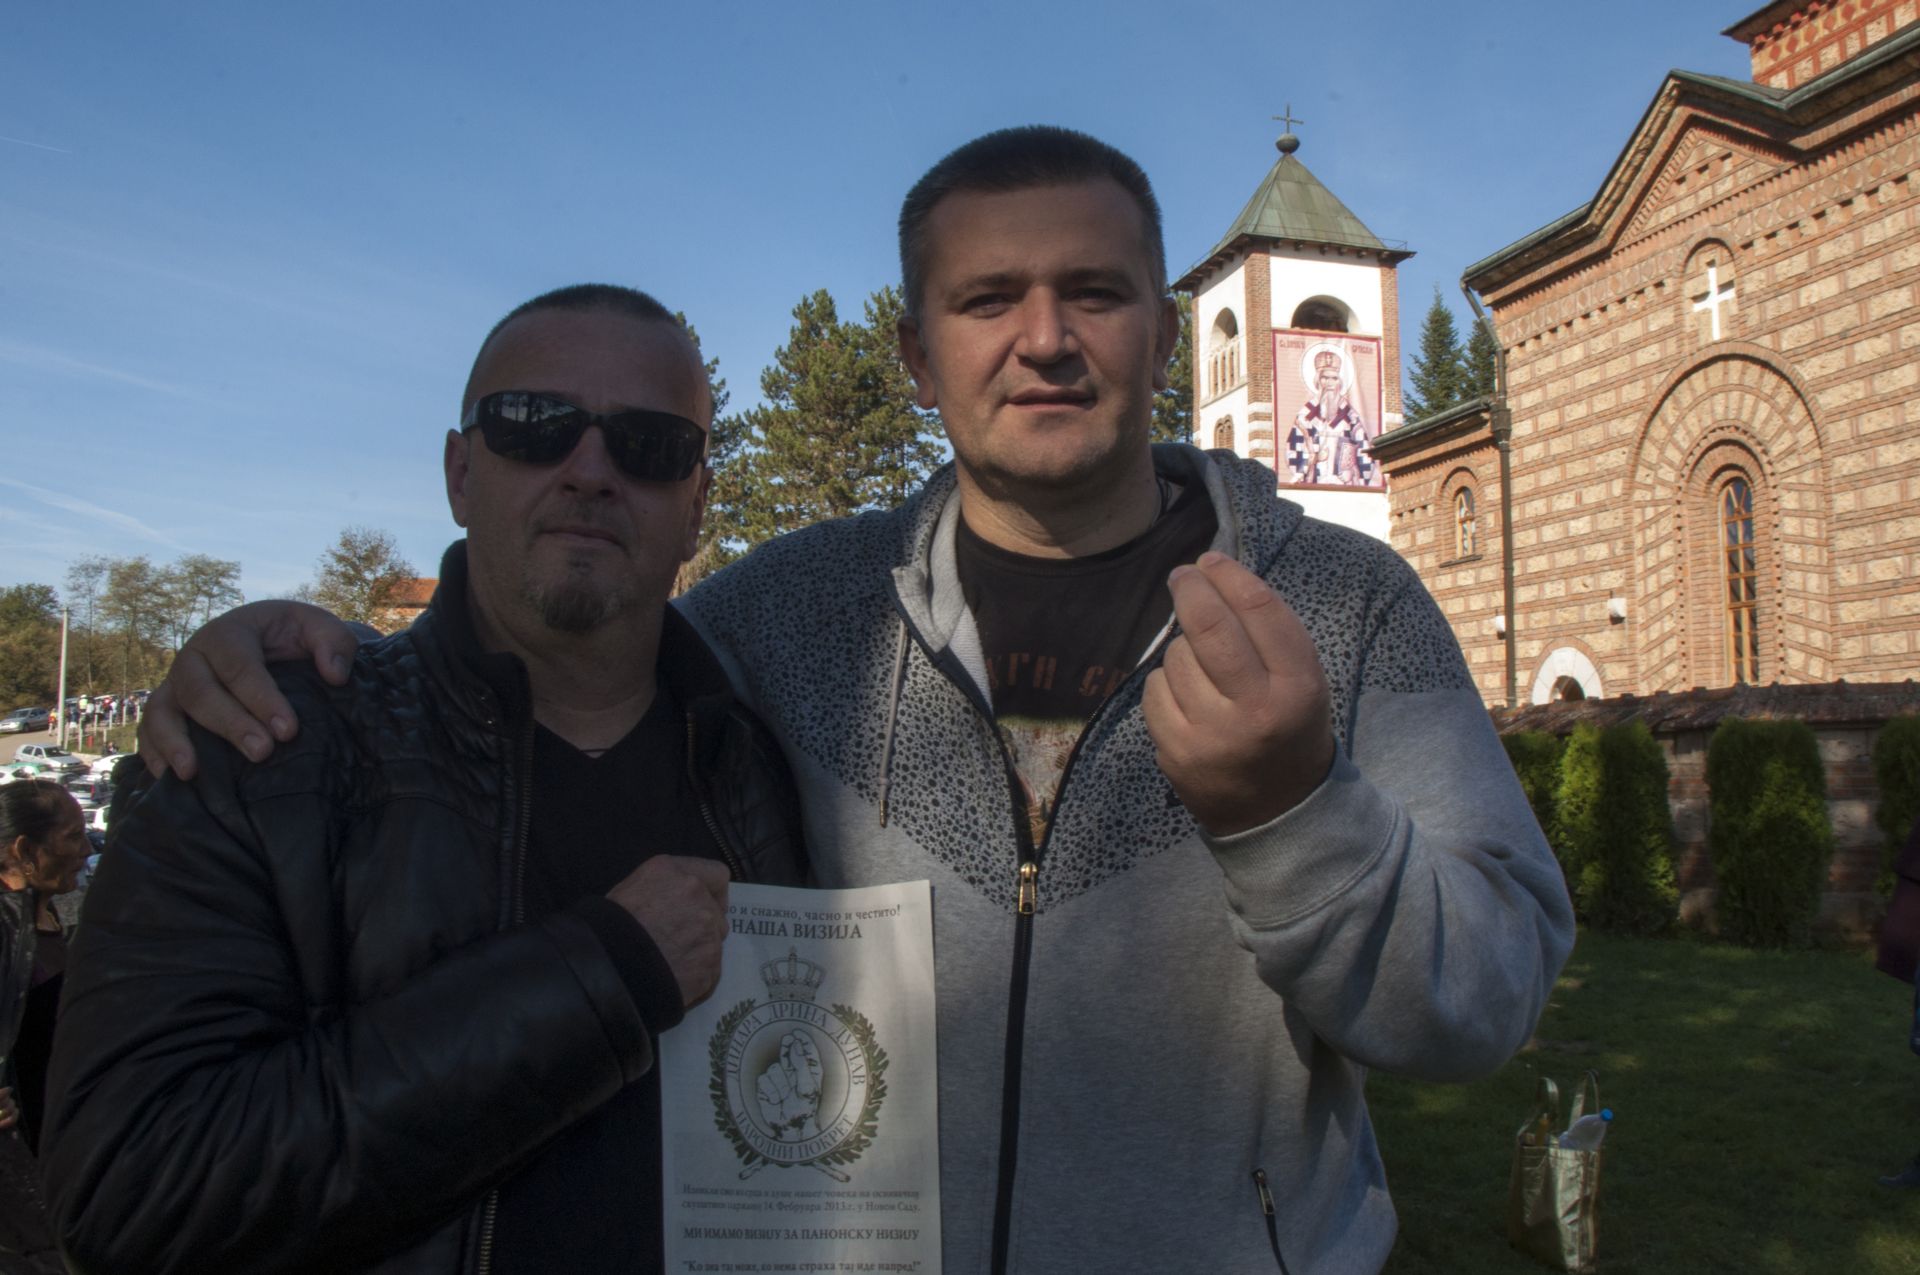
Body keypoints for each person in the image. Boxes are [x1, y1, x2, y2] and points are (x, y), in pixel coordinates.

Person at [136, 127, 1573, 1273]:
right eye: (988, 299)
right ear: (917, 355)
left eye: (1094, 292)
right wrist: (316, 652)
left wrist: (1292, 816)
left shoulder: (1341, 605)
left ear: (1162, 330)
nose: (1045, 337)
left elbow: (1484, 1006)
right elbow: (561, 652)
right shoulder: (787, 610)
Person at [42, 286, 807, 1273]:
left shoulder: (769, 767)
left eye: (649, 445)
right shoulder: (264, 747)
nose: (590, 471)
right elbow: (134, 1191)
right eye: (533, 424)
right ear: (459, 473)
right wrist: (605, 973)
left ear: (697, 503)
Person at [0, 780, 91, 1274]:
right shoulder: (4, 927)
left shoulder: (53, 912)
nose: (86, 848)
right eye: (72, 836)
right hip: (21, 1174)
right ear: (24, 851)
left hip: (64, 1146)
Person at [1287, 345, 1375, 486]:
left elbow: (1365, 452)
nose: (1329, 383)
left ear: (1339, 382)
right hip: (1314, 484)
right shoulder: (1305, 416)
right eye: (1324, 378)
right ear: (1317, 381)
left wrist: (1354, 476)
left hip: (1345, 485)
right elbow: (1293, 452)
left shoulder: (1350, 416)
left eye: (1334, 378)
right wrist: (1314, 459)